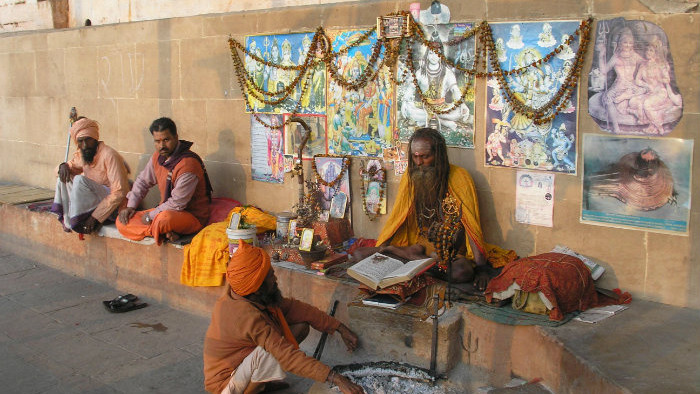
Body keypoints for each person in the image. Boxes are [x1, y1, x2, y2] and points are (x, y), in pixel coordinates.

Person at [359, 128, 516, 291]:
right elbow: (397, 217)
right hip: (420, 244)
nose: (419, 162)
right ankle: (413, 256)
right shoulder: (411, 176)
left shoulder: (459, 177)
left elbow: (471, 226)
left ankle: (410, 258)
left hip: (450, 251)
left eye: (425, 157)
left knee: (462, 272)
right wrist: (380, 250)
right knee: (359, 256)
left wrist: (482, 269)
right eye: (415, 156)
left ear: (439, 155)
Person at [204, 241, 364, 394]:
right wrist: (336, 378)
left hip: (243, 363)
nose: (275, 279)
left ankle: (261, 383)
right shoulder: (244, 315)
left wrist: (340, 328)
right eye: (270, 276)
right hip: (226, 385)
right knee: (272, 352)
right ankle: (251, 389)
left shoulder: (249, 294)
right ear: (257, 287)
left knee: (300, 327)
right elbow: (286, 355)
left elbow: (298, 308)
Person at [117, 117, 212, 244]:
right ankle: (163, 232)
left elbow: (177, 204)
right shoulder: (158, 156)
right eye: (157, 141)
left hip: (190, 216)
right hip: (163, 211)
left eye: (166, 140)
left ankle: (161, 229)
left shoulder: (188, 164)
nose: (162, 146)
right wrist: (131, 206)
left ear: (176, 137)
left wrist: (150, 217)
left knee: (164, 219)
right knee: (121, 221)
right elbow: (143, 181)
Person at [51, 117, 130, 234]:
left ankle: (80, 218)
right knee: (63, 178)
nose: (84, 146)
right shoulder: (83, 154)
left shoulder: (109, 155)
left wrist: (95, 217)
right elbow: (63, 169)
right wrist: (62, 166)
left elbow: (119, 193)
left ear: (95, 138)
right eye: (80, 141)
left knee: (79, 179)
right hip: (95, 200)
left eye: (88, 140)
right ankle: (69, 220)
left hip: (112, 209)